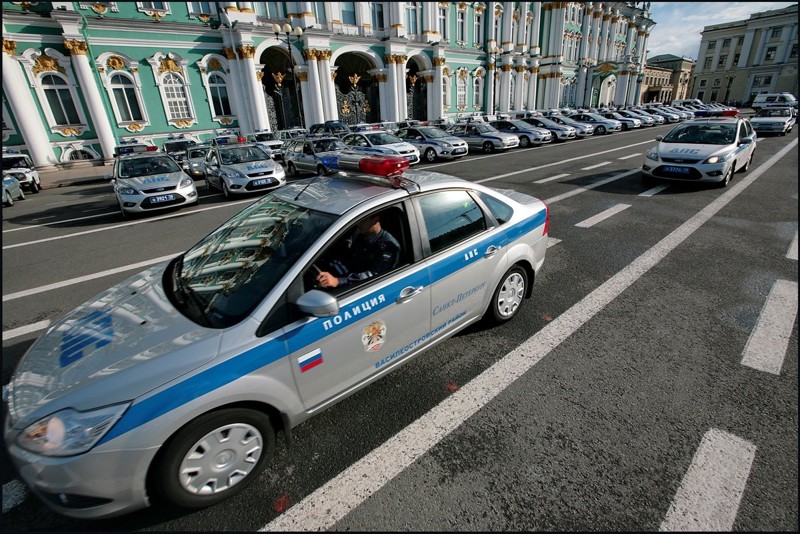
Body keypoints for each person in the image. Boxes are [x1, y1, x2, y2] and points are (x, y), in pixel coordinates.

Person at [315, 213, 400, 289]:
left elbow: (373, 275)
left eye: (362, 220)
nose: (357, 223)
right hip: (351, 277)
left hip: (364, 287)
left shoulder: (388, 247)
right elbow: (350, 258)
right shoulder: (362, 236)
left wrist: (337, 281)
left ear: (376, 220)